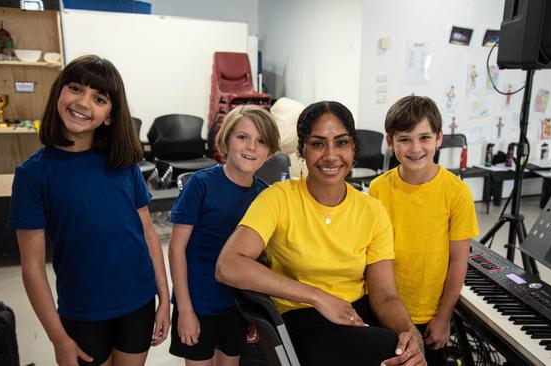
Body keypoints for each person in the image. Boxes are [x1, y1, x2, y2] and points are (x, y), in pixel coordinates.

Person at [216, 101, 426, 366]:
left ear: (353, 148)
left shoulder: (373, 211)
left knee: (404, 352)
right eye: (317, 144)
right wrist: (318, 297)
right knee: (385, 349)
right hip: (301, 318)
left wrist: (408, 331)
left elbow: (384, 296)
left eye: (341, 143)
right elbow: (228, 265)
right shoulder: (278, 199)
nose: (330, 155)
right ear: (302, 150)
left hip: (355, 315)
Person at [7, 55, 170, 366]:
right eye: (76, 88)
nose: (83, 103)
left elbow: (148, 234)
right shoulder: (33, 175)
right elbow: (32, 268)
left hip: (138, 303)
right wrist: (59, 338)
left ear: (109, 115)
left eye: (99, 98)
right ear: (59, 92)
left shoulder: (123, 164)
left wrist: (164, 298)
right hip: (83, 311)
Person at [368, 96, 479, 366]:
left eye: (425, 138)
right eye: (405, 139)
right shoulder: (378, 189)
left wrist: (444, 317)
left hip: (430, 314)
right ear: (390, 141)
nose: (415, 148)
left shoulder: (458, 193)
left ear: (439, 138)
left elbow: (458, 260)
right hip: (384, 311)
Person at [167, 105, 280, 366]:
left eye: (261, 141)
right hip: (197, 303)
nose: (251, 147)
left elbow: (259, 260)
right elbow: (176, 249)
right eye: (243, 137)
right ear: (226, 139)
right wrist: (184, 310)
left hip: (236, 306)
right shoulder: (200, 184)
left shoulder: (266, 197)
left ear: (270, 151)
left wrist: (255, 313)